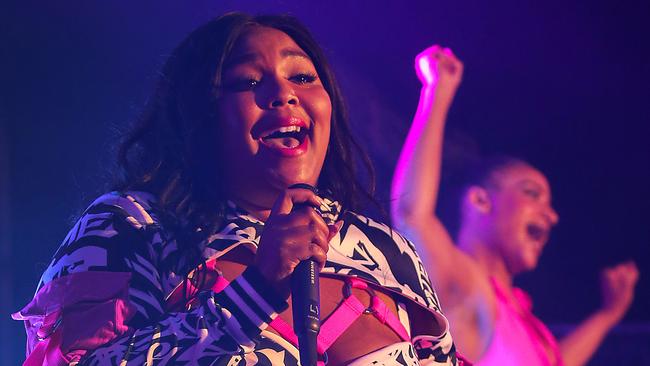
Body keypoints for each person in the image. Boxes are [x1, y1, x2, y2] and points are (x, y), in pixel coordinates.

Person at [13, 13, 461, 366]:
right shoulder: (133, 225)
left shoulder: (386, 250)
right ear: (199, 115)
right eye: (248, 82)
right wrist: (255, 291)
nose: (283, 94)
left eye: (302, 77)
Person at [391, 45, 639, 366]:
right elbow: (413, 214)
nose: (551, 216)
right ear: (481, 201)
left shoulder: (518, 318)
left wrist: (608, 315)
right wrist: (437, 90)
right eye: (532, 194)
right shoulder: (466, 284)